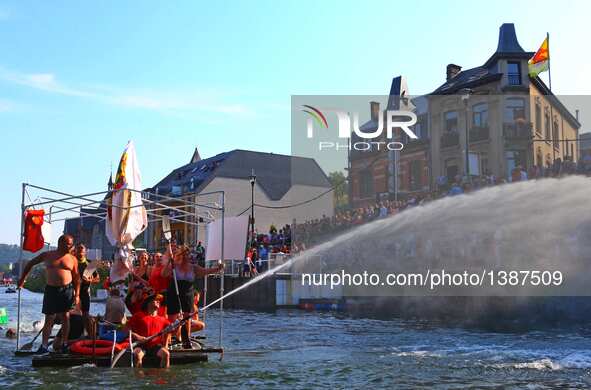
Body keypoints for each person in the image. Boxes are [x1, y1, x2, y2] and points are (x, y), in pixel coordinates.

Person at [18, 234, 80, 353]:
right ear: (60, 243)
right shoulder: (47, 255)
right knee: (49, 318)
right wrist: (22, 279)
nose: (70, 246)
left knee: (65, 317)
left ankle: (64, 344)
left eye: (71, 244)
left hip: (66, 290)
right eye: (68, 243)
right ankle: (44, 345)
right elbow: (30, 263)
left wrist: (77, 295)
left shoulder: (72, 259)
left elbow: (77, 278)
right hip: (51, 290)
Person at [162, 244, 223, 349]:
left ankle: (186, 339)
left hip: (187, 293)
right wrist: (169, 262)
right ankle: (168, 340)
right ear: (180, 255)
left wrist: (217, 269)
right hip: (174, 292)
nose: (187, 257)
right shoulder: (174, 265)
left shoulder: (193, 267)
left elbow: (205, 272)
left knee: (187, 317)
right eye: (184, 254)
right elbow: (163, 274)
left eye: (188, 254)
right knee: (172, 318)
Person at [127, 294, 171, 368]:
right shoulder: (138, 315)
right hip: (140, 345)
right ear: (148, 303)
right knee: (137, 355)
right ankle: (139, 376)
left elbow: (168, 331)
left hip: (155, 346)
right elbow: (126, 329)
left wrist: (165, 345)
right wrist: (137, 337)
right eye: (156, 300)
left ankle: (164, 375)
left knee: (166, 354)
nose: (158, 302)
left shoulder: (163, 319)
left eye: (159, 301)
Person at [76, 243, 99, 338]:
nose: (80, 250)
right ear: (76, 251)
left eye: (82, 249)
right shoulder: (73, 262)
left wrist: (90, 280)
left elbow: (97, 279)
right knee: (75, 314)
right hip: (74, 292)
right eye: (79, 248)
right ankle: (75, 333)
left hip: (85, 292)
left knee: (85, 314)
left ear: (85, 252)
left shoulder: (90, 264)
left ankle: (89, 335)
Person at [148, 252, 170, 316]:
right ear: (154, 258)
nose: (159, 258)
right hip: (155, 294)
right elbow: (150, 283)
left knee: (163, 314)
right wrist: (137, 277)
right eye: (157, 256)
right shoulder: (153, 268)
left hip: (164, 294)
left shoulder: (164, 267)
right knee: (156, 314)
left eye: (160, 256)